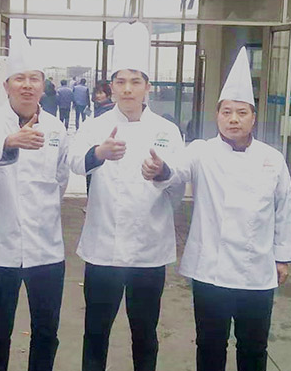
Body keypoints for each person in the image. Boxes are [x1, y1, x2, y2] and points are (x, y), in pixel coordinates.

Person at [148, 47, 291, 371]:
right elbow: (175, 171)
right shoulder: (201, 152)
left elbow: (284, 209)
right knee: (210, 345)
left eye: (241, 112)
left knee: (254, 347)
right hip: (210, 272)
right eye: (227, 111)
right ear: (216, 115)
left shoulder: (272, 158)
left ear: (253, 117)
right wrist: (160, 170)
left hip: (256, 271)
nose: (233, 119)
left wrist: (283, 256)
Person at [69, 22, 185, 371]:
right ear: (112, 87)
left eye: (135, 81)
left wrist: (161, 171)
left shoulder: (166, 130)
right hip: (103, 248)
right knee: (95, 331)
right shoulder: (95, 125)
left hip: (148, 250)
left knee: (145, 333)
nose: (128, 89)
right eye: (120, 81)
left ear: (148, 86)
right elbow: (74, 162)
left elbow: (180, 174)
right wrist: (98, 153)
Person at [0, 33, 70, 371]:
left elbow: (60, 179)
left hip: (46, 249)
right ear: (6, 86)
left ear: (43, 86)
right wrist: (9, 142)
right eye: (19, 79)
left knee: (46, 330)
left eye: (34, 79)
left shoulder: (56, 128)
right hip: (0, 248)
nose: (27, 85)